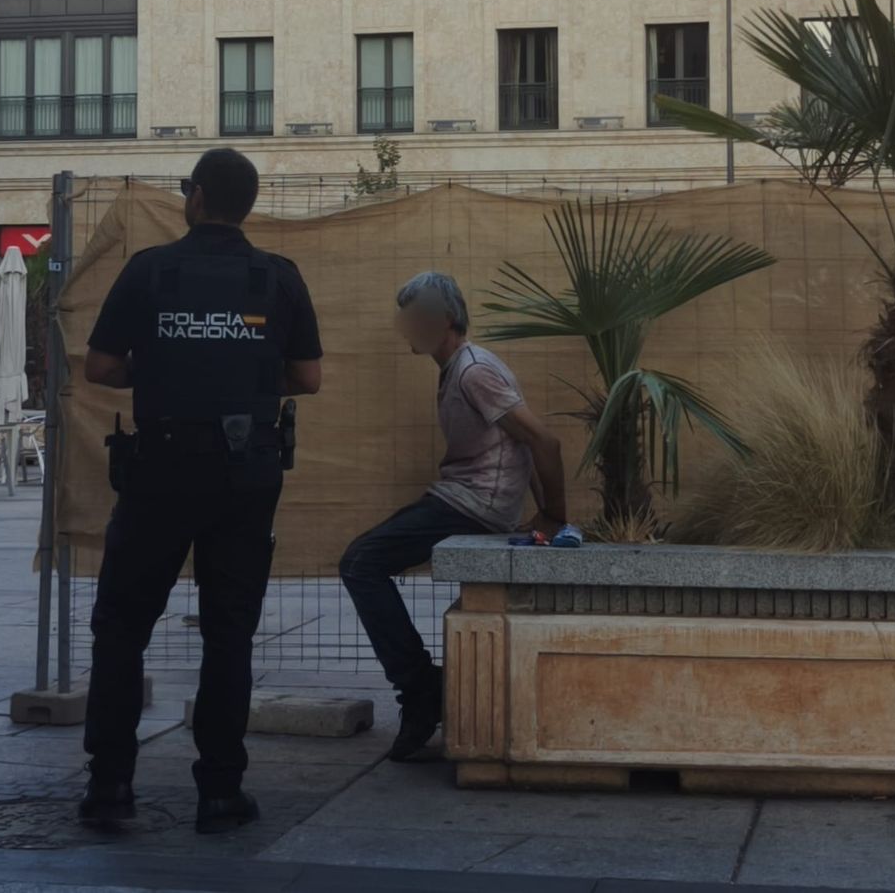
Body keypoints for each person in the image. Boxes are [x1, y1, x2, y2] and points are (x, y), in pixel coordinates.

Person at [79, 147, 322, 834]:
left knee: (121, 628)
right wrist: (242, 372)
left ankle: (109, 787)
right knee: (229, 633)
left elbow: (100, 366)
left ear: (195, 197)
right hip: (245, 476)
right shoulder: (277, 277)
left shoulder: (150, 269)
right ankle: (220, 791)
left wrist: (160, 368)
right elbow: (308, 377)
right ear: (245, 205)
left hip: (159, 470)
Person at [338, 272, 568, 762]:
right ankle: (423, 686)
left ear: (443, 320)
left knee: (360, 563)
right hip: (466, 499)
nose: (406, 327)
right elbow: (520, 444)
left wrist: (551, 516)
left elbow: (544, 442)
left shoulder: (473, 371)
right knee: (362, 561)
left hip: (473, 505)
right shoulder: (458, 368)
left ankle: (421, 690)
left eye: (414, 317)